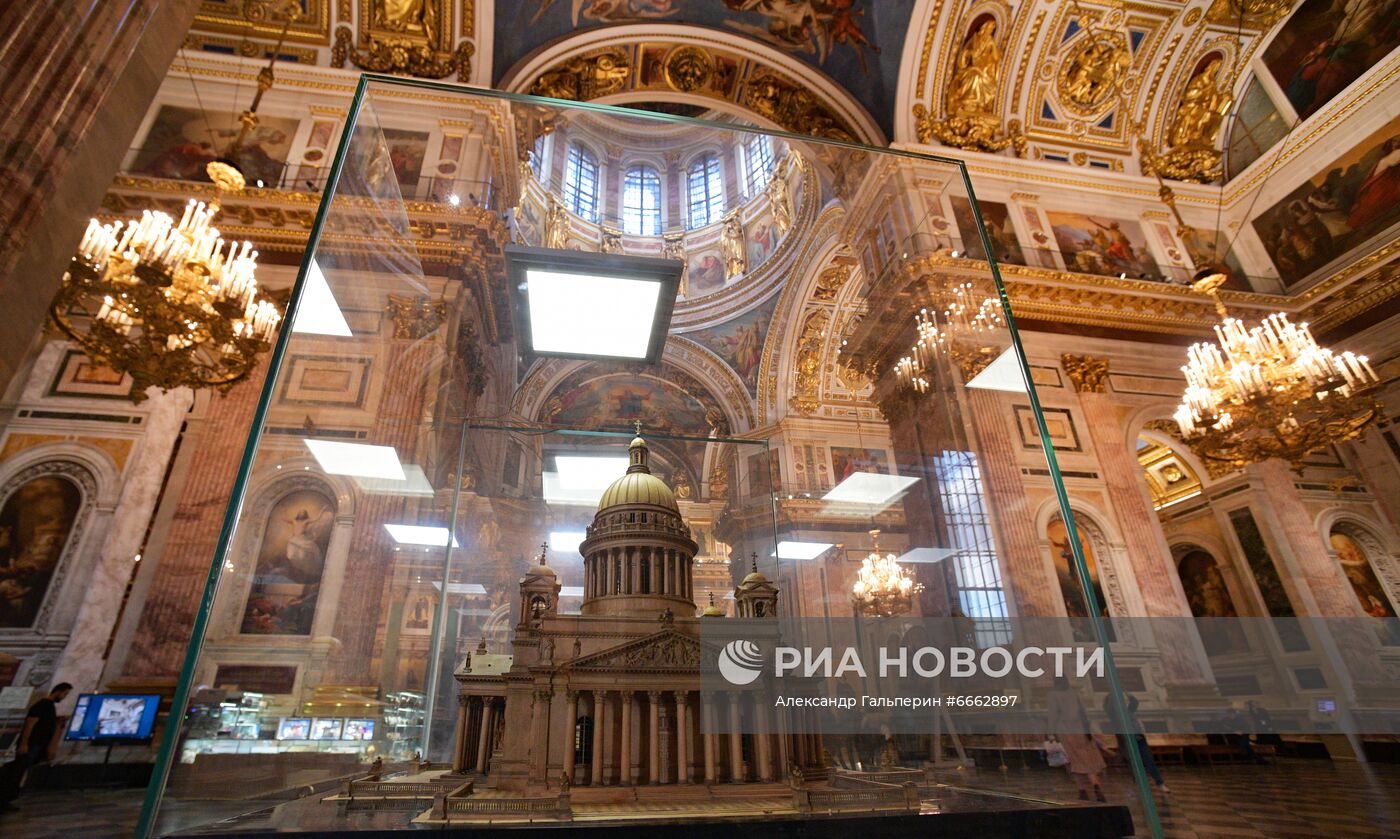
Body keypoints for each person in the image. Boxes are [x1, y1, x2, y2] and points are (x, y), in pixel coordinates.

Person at [1, 682, 72, 812]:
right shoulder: (42, 705)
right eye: (65, 694)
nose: (64, 697)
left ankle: (7, 800)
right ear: (59, 691)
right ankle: (3, 800)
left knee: (18, 773)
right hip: (31, 745)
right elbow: (30, 724)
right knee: (14, 773)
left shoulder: (49, 706)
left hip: (37, 745)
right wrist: (24, 743)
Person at [1046, 676, 1106, 801]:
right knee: (1087, 760)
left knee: (1073, 761)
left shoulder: (1053, 695)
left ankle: (1082, 789)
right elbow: (1084, 712)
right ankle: (1096, 785)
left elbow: (1052, 715)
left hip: (1066, 732)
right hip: (1081, 730)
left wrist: (1050, 733)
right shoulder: (1075, 693)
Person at [1102, 692, 1169, 794]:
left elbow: (1134, 702)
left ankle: (1160, 783)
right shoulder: (1114, 715)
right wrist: (1113, 694)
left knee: (1149, 761)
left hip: (1139, 739)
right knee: (1134, 764)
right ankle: (1140, 784)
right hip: (1126, 741)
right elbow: (1109, 706)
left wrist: (1126, 692)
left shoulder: (1128, 711)